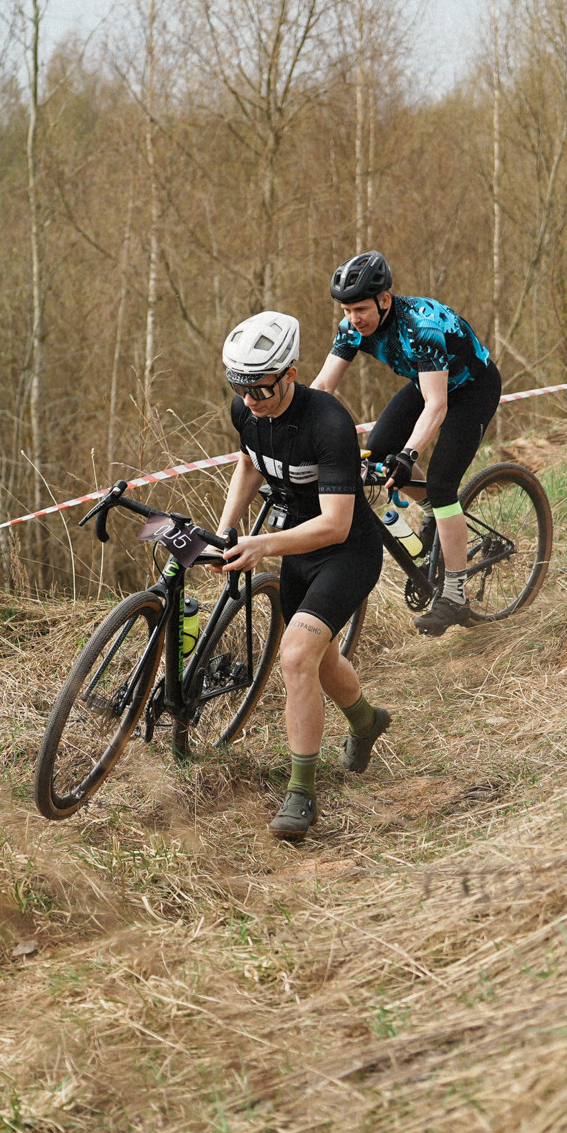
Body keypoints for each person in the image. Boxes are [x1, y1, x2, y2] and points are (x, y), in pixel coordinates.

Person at [213, 311, 393, 842]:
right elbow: (249, 462)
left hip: (346, 552)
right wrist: (227, 528)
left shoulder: (329, 423)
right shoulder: (246, 409)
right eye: (240, 388)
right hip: (297, 548)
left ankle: (301, 793)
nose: (250, 399)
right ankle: (366, 721)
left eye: (262, 388)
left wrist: (261, 545)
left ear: (290, 372)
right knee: (320, 656)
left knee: (294, 657)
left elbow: (336, 525)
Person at [311, 252, 501, 634]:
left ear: (384, 300)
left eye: (361, 309)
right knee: (375, 456)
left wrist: (409, 453)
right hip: (426, 381)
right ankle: (431, 508)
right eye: (347, 310)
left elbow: (437, 406)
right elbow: (322, 388)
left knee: (444, 484)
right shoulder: (351, 328)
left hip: (471, 391)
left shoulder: (422, 326)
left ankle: (455, 595)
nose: (354, 319)